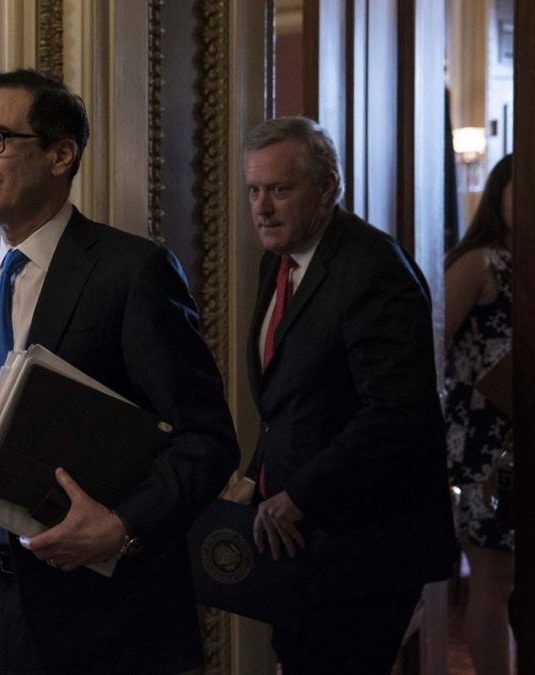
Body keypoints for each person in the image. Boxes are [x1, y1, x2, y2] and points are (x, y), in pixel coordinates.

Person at [0, 69, 239, 674]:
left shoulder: (132, 272)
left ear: (61, 155)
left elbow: (208, 441)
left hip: (92, 612)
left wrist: (122, 527)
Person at [221, 116, 456, 674]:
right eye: (254, 190)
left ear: (326, 188)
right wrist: (258, 477)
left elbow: (397, 412)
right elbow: (290, 402)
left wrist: (300, 493)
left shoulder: (372, 268)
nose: (263, 207)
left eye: (280, 190)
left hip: (363, 545)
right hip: (301, 541)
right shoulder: (276, 262)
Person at [443, 153, 514, 675]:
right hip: (483, 438)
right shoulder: (481, 262)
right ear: (500, 196)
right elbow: (432, 343)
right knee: (493, 580)